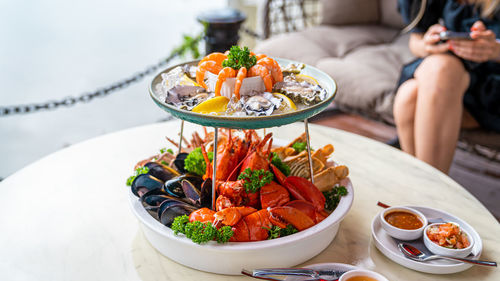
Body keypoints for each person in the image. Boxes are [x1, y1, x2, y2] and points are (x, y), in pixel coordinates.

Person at [394, 0, 500, 173]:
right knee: (409, 95)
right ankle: (428, 192)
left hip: (492, 87)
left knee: (436, 74)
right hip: (450, 80)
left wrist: (496, 50)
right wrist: (428, 44)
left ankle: (425, 192)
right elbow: (416, 41)